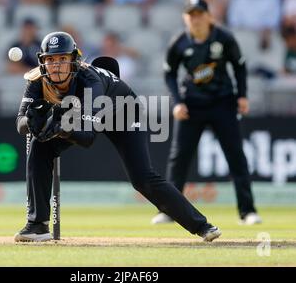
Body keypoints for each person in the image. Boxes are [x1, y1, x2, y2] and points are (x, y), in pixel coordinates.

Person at [14, 31, 221, 242]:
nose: (56, 65)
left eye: (62, 59)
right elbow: (20, 123)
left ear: (74, 60)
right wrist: (31, 123)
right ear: (42, 62)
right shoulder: (36, 80)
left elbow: (87, 137)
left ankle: (202, 226)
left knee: (143, 179)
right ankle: (37, 226)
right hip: (80, 114)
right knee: (40, 148)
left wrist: (60, 128)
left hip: (124, 111)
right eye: (50, 60)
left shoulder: (89, 81)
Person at [151, 0, 262, 226]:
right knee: (179, 158)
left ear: (209, 16)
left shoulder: (224, 38)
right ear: (185, 18)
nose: (196, 19)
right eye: (191, 15)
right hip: (191, 106)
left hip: (223, 103)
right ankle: (169, 211)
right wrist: (178, 102)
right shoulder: (179, 43)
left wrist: (242, 95)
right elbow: (169, 73)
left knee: (236, 157)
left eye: (200, 14)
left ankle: (247, 211)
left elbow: (239, 66)